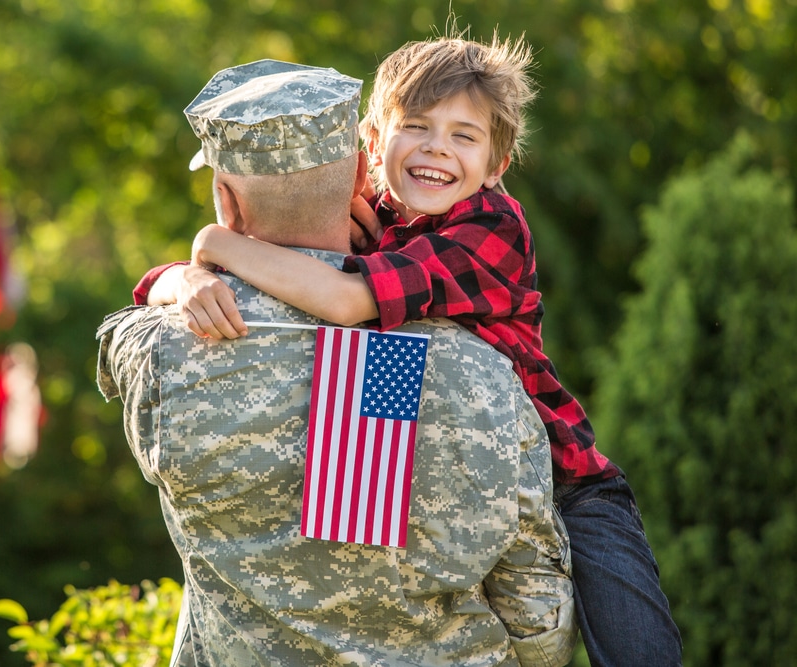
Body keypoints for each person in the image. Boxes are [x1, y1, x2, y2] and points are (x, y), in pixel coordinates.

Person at [137, 34, 682, 667]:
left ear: (497, 164)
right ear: (373, 142)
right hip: (444, 465)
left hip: (566, 477)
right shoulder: (373, 216)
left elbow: (342, 302)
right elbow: (208, 286)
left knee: (637, 646)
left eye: (464, 136)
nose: (436, 148)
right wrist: (184, 279)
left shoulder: (492, 228)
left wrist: (216, 244)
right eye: (416, 126)